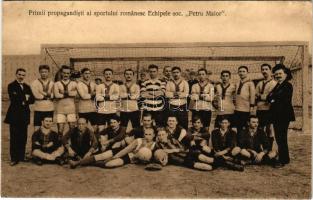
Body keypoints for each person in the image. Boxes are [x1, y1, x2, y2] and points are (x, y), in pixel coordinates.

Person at [4, 68, 35, 166]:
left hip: (24, 115)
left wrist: (24, 100)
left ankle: (21, 156)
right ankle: (14, 158)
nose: (21, 76)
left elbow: (33, 99)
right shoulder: (11, 86)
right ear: (16, 74)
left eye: (23, 75)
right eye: (19, 74)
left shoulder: (27, 86)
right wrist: (25, 98)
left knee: (23, 136)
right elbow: (14, 99)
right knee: (14, 137)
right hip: (14, 115)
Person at [267, 64, 295, 168]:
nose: (278, 75)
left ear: (286, 74)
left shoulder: (287, 85)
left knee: (282, 138)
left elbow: (283, 100)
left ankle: (283, 160)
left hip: (283, 115)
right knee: (278, 137)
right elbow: (268, 97)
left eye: (280, 73)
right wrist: (273, 98)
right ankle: (284, 158)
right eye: (276, 74)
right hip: (276, 115)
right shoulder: (278, 85)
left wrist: (273, 99)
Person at [255, 64, 277, 148]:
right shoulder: (259, 83)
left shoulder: (274, 83)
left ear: (270, 71)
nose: (264, 71)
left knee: (269, 129)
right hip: (260, 109)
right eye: (263, 69)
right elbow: (256, 95)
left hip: (269, 109)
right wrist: (264, 96)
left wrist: (263, 96)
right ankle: (260, 147)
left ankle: (269, 148)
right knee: (260, 129)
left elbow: (272, 97)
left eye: (266, 69)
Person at [54, 65, 78, 136]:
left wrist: (63, 92)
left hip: (71, 109)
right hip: (60, 109)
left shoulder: (74, 83)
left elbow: (76, 94)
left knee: (72, 130)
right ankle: (60, 146)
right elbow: (56, 95)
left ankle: (71, 146)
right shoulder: (57, 84)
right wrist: (70, 93)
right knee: (60, 131)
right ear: (61, 73)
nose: (66, 75)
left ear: (70, 74)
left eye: (67, 73)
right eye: (64, 73)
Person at [31, 65, 55, 131]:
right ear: (39, 72)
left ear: (48, 72)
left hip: (49, 109)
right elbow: (37, 96)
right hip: (38, 109)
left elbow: (54, 95)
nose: (44, 73)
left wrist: (42, 92)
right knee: (37, 128)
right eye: (42, 72)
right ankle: (36, 141)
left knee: (48, 128)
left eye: (45, 72)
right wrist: (48, 95)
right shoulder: (34, 83)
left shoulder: (52, 83)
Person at [234, 66, 256, 135]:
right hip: (237, 109)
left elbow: (252, 96)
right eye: (240, 71)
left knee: (246, 128)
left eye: (243, 71)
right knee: (238, 128)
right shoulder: (237, 83)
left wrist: (251, 107)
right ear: (238, 73)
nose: (241, 73)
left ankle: (246, 144)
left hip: (246, 110)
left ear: (247, 72)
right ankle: (239, 144)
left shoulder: (250, 83)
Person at [77, 68, 98, 132]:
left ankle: (95, 141)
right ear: (82, 74)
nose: (87, 75)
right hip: (83, 109)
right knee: (82, 127)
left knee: (95, 127)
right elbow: (83, 96)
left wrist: (94, 93)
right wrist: (93, 94)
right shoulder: (79, 84)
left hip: (92, 108)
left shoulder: (93, 84)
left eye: (89, 73)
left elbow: (99, 92)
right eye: (86, 73)